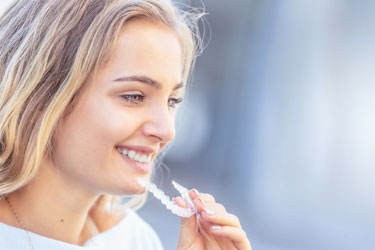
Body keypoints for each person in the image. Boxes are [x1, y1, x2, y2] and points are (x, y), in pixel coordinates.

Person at [0, 0, 252, 249]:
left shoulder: (136, 239)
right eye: (134, 97)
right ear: (39, 99)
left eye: (172, 101)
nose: (167, 131)